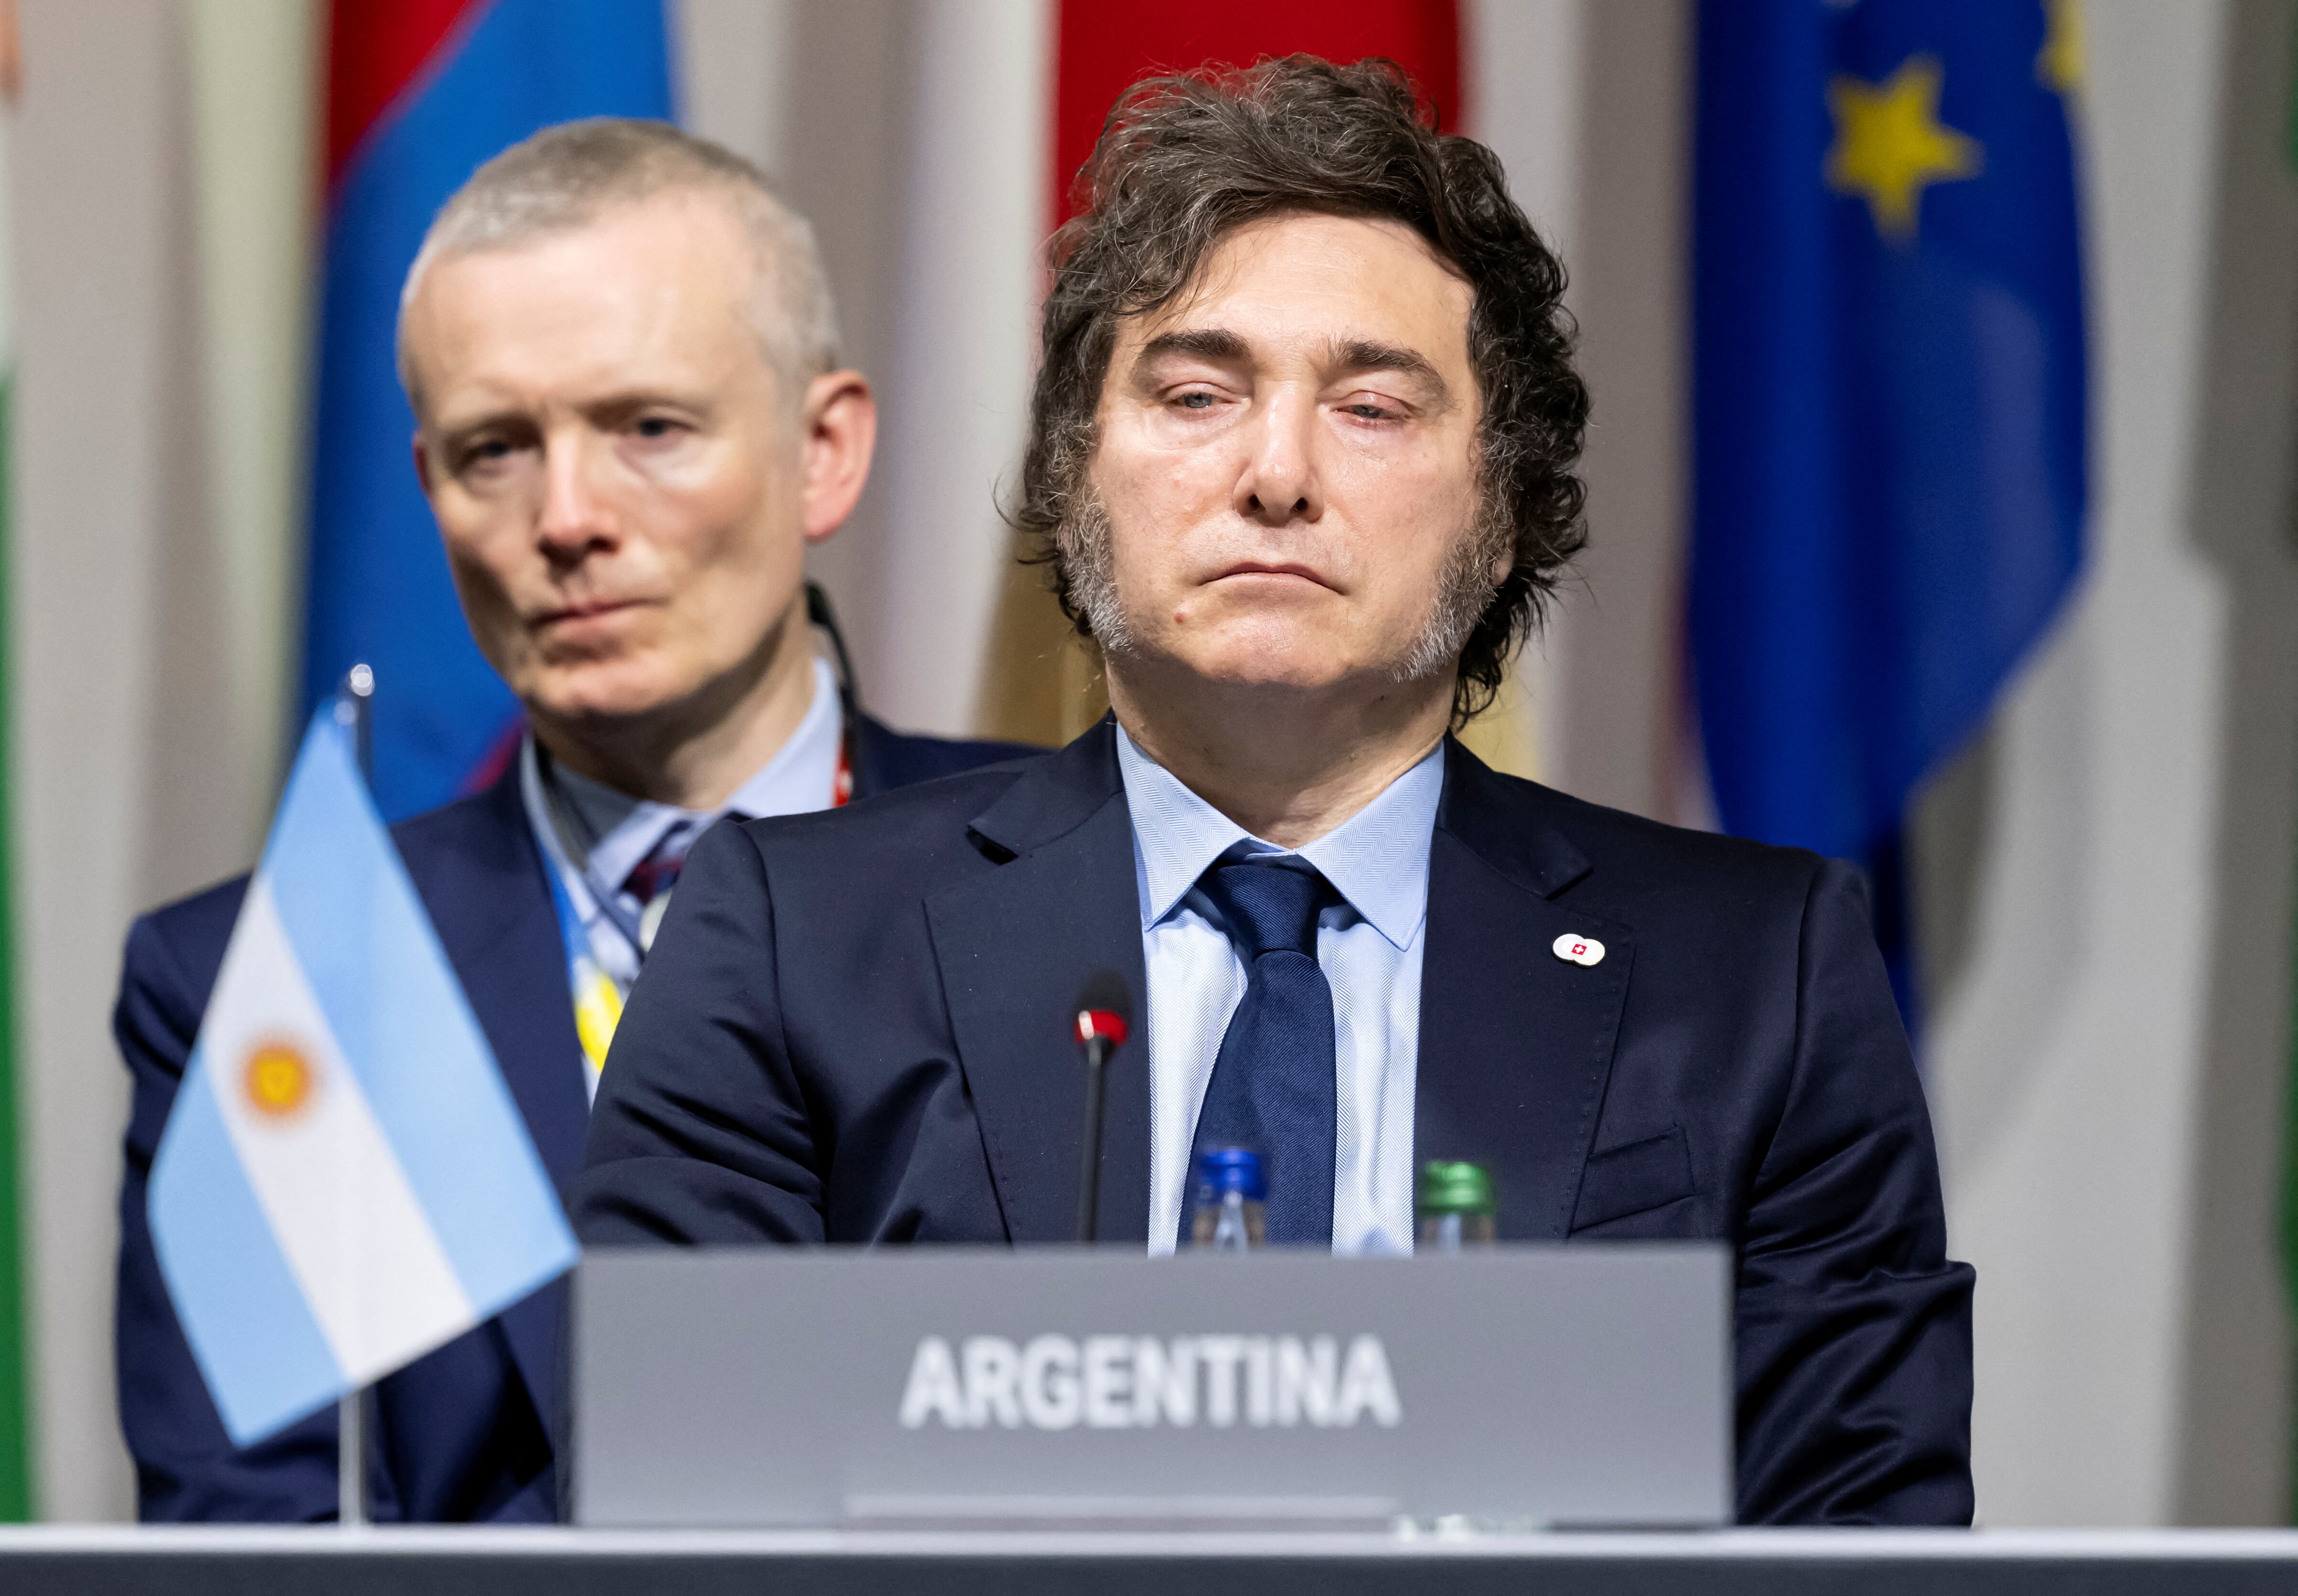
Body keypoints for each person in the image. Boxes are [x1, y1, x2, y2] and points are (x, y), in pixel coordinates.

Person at [575, 61, 1974, 1525]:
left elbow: (1859, 1540)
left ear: (1502, 516)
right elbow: (677, 1505)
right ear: (1076, 477)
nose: (1277, 474)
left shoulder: (1761, 977)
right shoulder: (791, 942)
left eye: (1372, 407)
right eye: (1196, 393)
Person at [113, 120, 1032, 1524]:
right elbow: (244, 1550)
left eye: (648, 428)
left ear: (824, 451)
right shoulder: (284, 977)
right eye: (494, 449)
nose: (566, 516)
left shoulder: (1074, 878)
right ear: (430, 491)